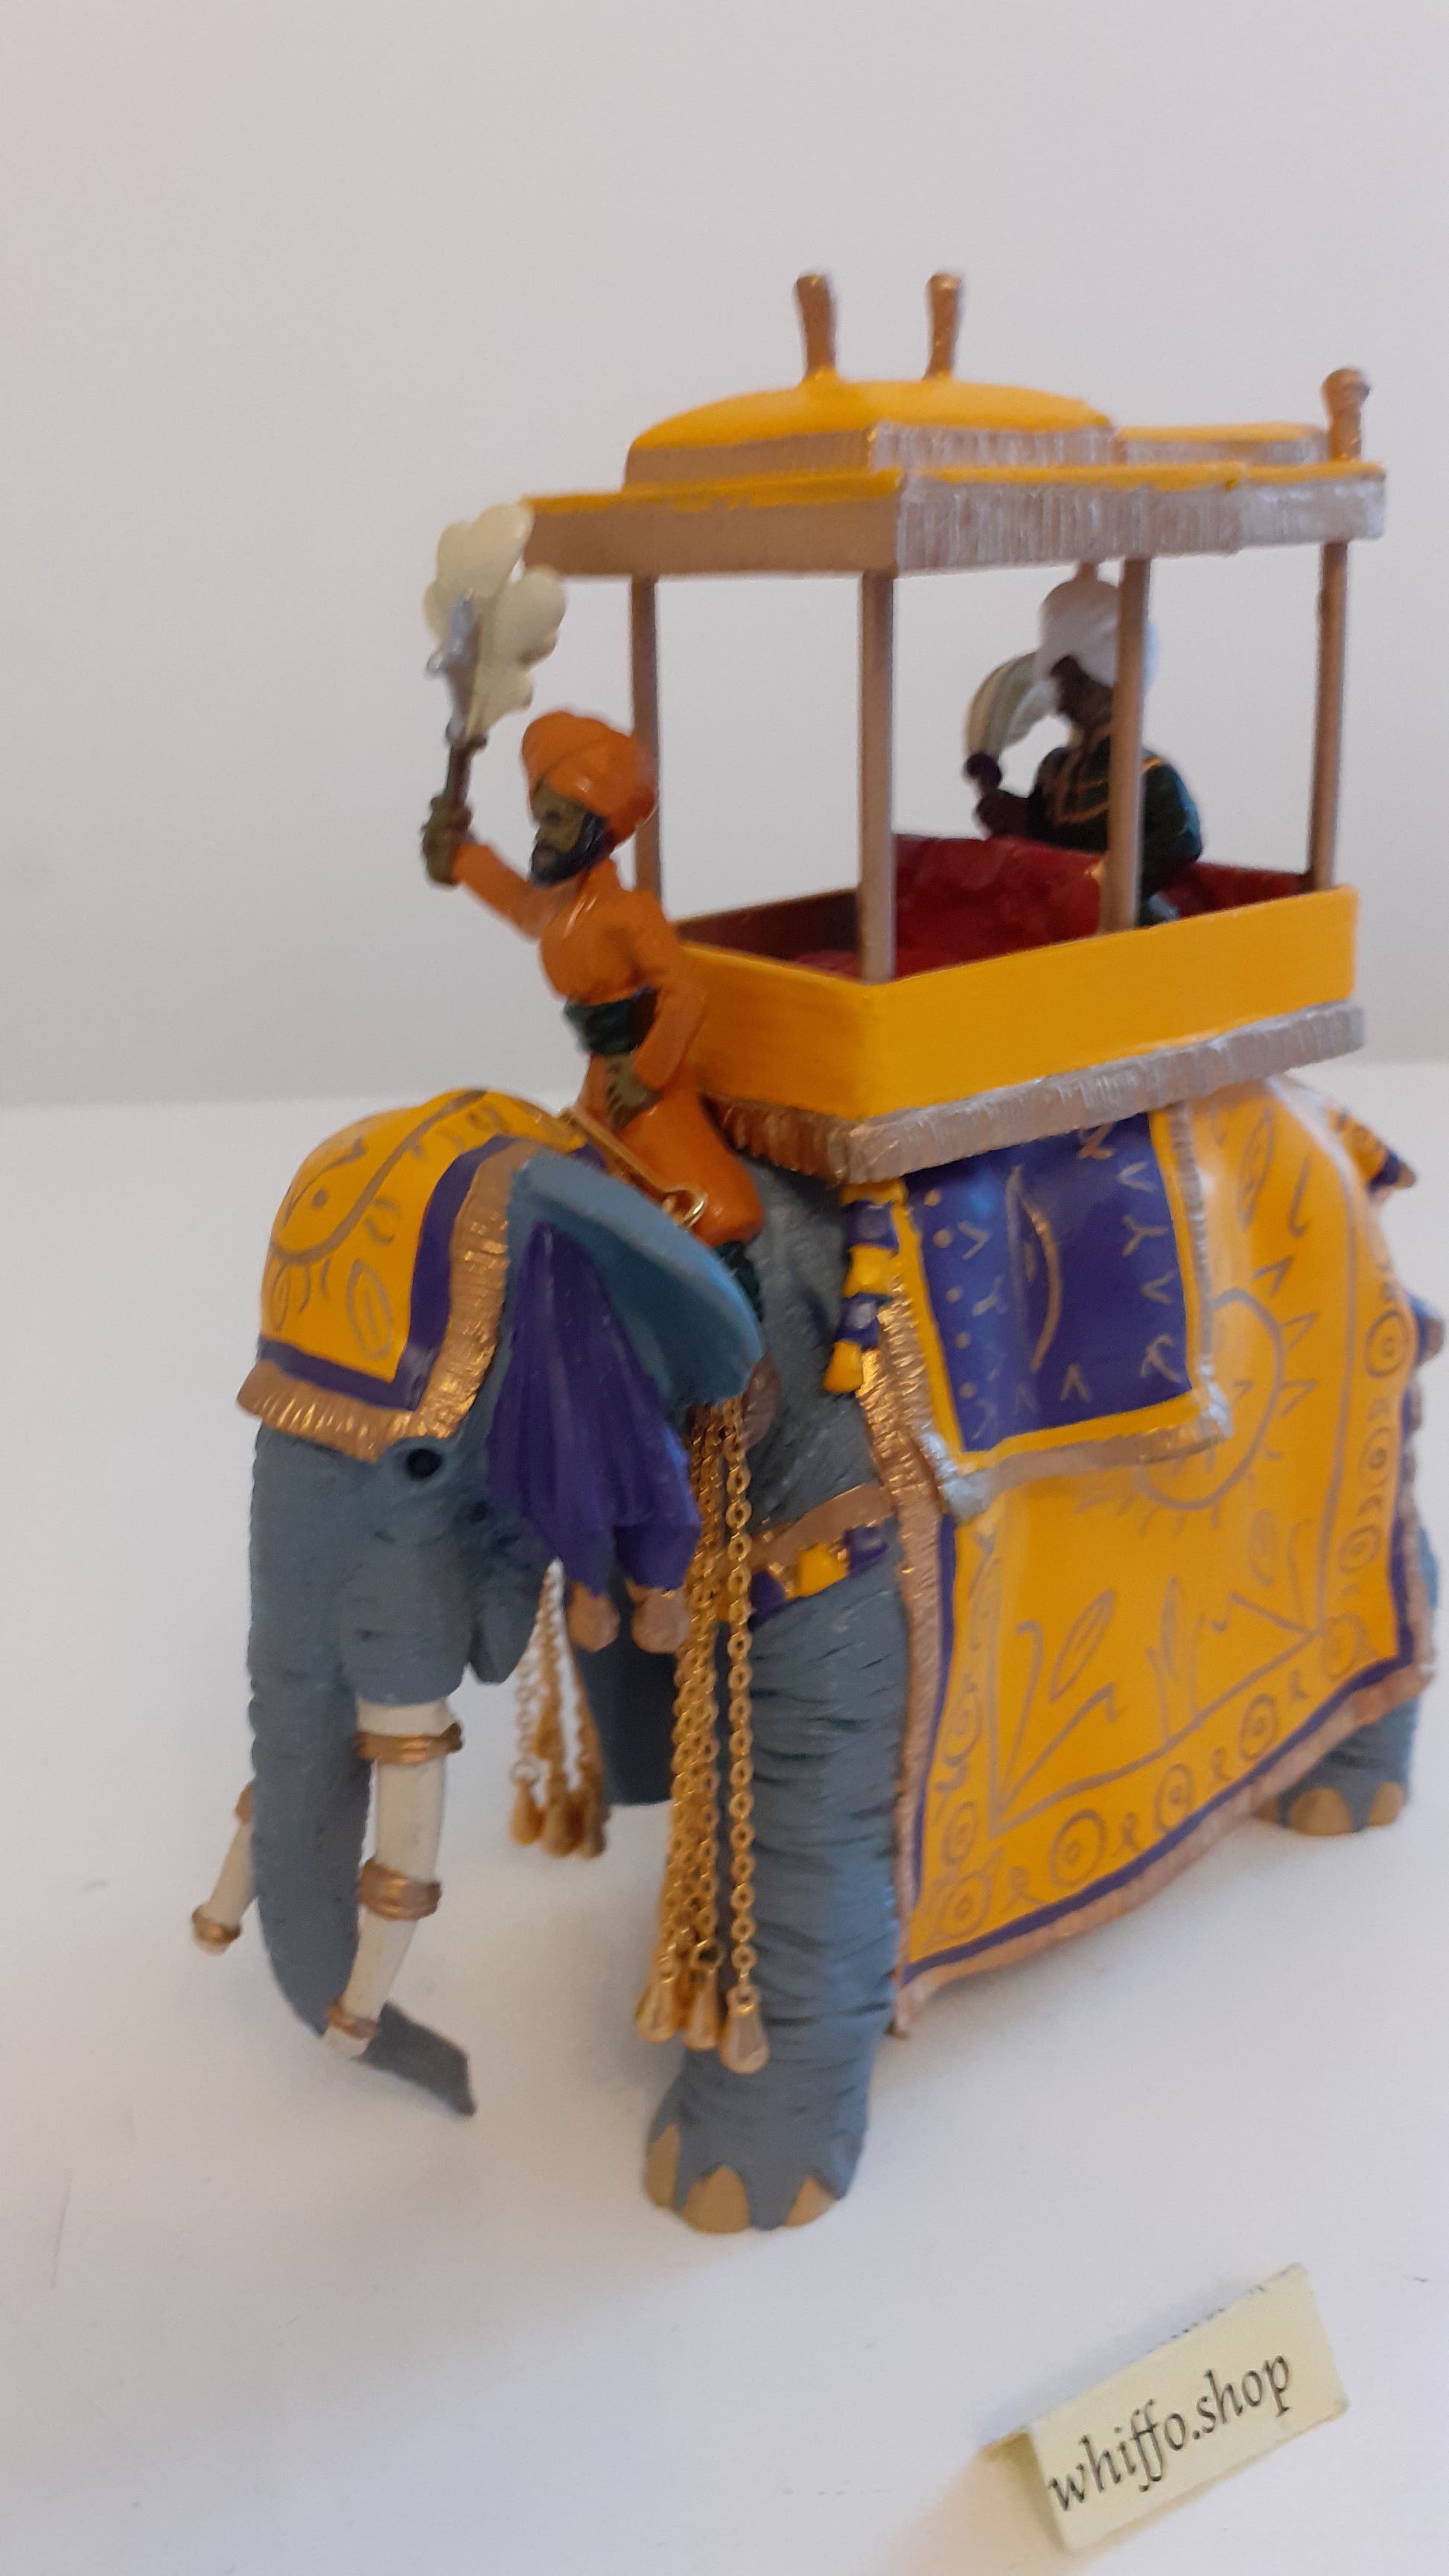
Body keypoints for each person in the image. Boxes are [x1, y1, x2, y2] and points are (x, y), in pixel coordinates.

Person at [421, 710, 764, 1304]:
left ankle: (746, 1329)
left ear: (595, 825)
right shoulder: (559, 906)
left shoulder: (631, 915)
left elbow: (686, 993)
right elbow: (519, 903)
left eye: (556, 820)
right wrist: (459, 857)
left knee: (705, 1207)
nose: (542, 837)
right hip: (600, 1082)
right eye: (540, 819)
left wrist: (647, 1074)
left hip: (643, 1084)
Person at [972, 570, 1203, 921]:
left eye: (1069, 678)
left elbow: (1182, 841)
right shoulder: (1056, 769)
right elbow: (1049, 842)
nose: (1058, 690)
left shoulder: (1148, 775)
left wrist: (1105, 882)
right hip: (1064, 918)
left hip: (1125, 922)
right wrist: (1017, 818)